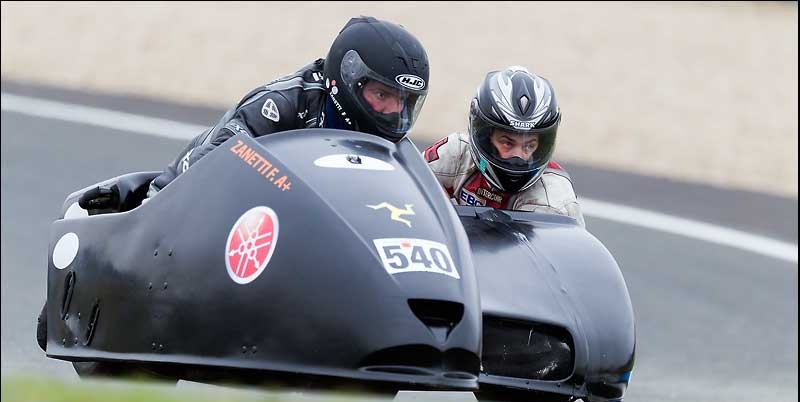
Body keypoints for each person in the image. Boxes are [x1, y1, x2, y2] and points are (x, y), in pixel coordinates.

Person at [147, 16, 429, 197]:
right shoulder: (281, 105)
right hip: (179, 211)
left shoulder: (398, 147)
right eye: (382, 95)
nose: (394, 110)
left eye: (404, 100)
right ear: (347, 78)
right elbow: (203, 170)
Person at [423, 66, 585, 226]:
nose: (519, 156)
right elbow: (406, 187)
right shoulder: (456, 153)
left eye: (529, 145)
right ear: (486, 137)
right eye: (507, 142)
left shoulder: (553, 200)